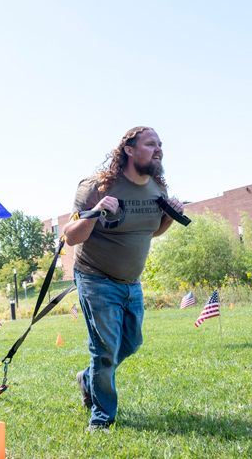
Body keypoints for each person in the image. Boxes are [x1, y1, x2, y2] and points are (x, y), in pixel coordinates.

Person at [63, 126, 185, 432]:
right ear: (129, 150)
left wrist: (170, 215)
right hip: (95, 277)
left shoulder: (158, 187)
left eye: (160, 145)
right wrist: (94, 211)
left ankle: (88, 378)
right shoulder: (97, 186)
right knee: (105, 349)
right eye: (150, 144)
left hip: (131, 282)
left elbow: (150, 230)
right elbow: (70, 237)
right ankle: (101, 418)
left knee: (130, 343)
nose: (158, 149)